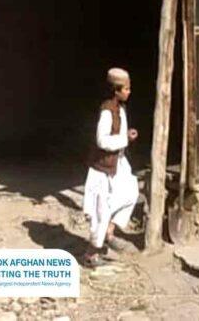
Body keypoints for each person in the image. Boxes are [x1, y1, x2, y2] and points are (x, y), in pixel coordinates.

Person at [82, 68, 139, 267]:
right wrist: (125, 138)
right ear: (116, 90)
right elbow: (102, 140)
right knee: (101, 210)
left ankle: (109, 231)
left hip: (119, 162)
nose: (129, 92)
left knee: (131, 191)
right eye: (126, 88)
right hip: (103, 166)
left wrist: (126, 136)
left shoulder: (120, 110)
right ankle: (91, 254)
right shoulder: (107, 111)